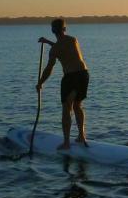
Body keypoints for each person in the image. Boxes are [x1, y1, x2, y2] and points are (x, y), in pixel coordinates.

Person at [37, 18, 90, 150]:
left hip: (70, 77)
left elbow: (49, 68)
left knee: (67, 108)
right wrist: (48, 42)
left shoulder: (54, 50)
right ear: (65, 29)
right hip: (84, 74)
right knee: (77, 105)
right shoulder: (73, 40)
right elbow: (63, 46)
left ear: (52, 30)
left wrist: (40, 83)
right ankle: (81, 136)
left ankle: (66, 143)